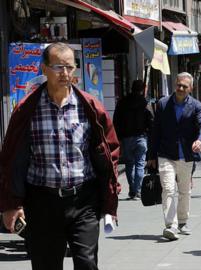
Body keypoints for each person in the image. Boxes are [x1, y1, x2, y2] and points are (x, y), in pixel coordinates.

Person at [0, 42, 120, 270]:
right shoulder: (27, 109)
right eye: (58, 67)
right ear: (44, 69)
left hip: (83, 200)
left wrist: (109, 203)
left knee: (87, 263)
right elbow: (11, 158)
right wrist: (11, 204)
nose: (64, 73)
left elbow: (110, 153)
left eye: (69, 67)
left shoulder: (90, 107)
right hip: (42, 201)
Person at [147, 72, 201, 241]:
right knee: (168, 188)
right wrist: (151, 154)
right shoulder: (163, 103)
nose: (180, 88)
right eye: (179, 85)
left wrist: (200, 140)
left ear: (191, 88)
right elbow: (155, 131)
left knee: (184, 191)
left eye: (184, 86)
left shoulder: (196, 105)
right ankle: (171, 226)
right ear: (175, 84)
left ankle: (182, 221)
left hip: (186, 155)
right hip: (166, 153)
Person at [113, 79, 153, 199]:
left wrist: (118, 138)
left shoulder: (122, 102)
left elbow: (116, 121)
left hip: (126, 138)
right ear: (142, 89)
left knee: (129, 164)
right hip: (141, 138)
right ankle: (137, 190)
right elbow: (151, 121)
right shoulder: (145, 103)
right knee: (140, 164)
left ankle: (132, 190)